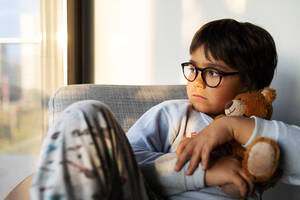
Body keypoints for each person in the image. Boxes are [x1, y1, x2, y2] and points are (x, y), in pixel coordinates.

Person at [30, 18, 300, 200]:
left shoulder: (257, 132)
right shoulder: (173, 114)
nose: (196, 80)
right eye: (193, 68)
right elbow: (126, 165)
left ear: (250, 83)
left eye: (213, 72)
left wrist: (231, 126)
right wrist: (205, 173)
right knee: (86, 112)